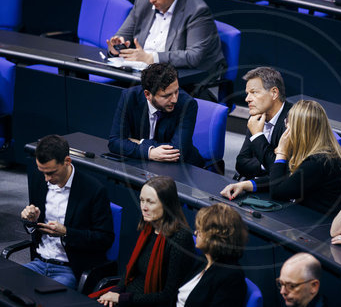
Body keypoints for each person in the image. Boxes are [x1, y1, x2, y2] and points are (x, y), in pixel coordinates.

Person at [222, 100, 341, 215]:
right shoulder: (321, 151)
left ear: (300, 130)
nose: (286, 125)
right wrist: (247, 184)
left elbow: (279, 191)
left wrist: (281, 153)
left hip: (324, 227)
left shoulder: (320, 161)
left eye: (288, 122)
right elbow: (288, 178)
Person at [20, 135, 114, 288]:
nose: (46, 178)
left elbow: (104, 238)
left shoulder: (93, 190)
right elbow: (35, 227)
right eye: (42, 172)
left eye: (51, 173)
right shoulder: (41, 180)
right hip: (39, 262)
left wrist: (66, 232)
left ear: (67, 161)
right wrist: (31, 220)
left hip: (69, 268)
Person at [96, 176, 195, 307]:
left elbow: (168, 296)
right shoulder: (149, 227)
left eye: (150, 202)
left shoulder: (180, 239)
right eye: (142, 200)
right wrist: (116, 290)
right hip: (128, 297)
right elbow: (130, 272)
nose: (144, 207)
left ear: (167, 205)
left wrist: (122, 298)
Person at [107, 0, 225, 78]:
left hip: (184, 82)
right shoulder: (143, 1)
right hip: (141, 75)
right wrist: (117, 48)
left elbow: (193, 56)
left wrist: (151, 58)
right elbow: (123, 35)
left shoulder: (196, 10)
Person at [108, 62, 204, 167]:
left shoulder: (187, 104)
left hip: (182, 167)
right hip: (143, 164)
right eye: (166, 95)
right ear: (148, 94)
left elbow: (177, 152)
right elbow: (115, 142)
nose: (174, 99)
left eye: (176, 91)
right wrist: (149, 152)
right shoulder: (130, 97)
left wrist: (141, 143)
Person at [176, 203, 247, 307]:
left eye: (200, 231)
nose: (195, 233)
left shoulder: (232, 278)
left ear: (214, 236)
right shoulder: (204, 261)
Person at [235, 67, 293, 180]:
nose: (247, 99)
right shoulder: (256, 115)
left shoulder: (293, 120)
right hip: (258, 182)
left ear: (274, 93)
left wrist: (257, 136)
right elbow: (241, 163)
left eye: (254, 92)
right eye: (247, 93)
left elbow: (283, 173)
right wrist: (267, 163)